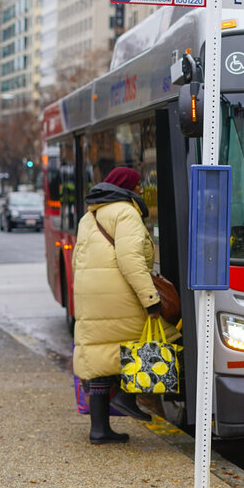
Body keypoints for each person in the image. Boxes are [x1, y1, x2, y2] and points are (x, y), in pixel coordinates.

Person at [71, 166, 182, 444]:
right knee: (159, 336)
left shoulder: (89, 215)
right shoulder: (126, 212)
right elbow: (130, 261)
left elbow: (77, 260)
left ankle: (99, 430)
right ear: (127, 187)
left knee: (100, 356)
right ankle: (127, 395)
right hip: (120, 293)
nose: (142, 190)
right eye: (138, 185)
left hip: (91, 294)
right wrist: (151, 299)